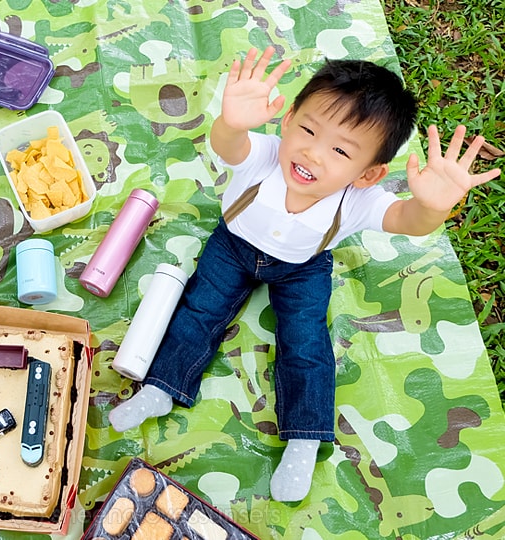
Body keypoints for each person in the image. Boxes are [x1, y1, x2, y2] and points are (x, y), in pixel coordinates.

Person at [108, 47, 501, 502]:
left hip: (302, 267)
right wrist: (232, 122)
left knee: (306, 342)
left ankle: (304, 436)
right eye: (308, 129)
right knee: (199, 308)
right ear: (288, 118)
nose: (312, 153)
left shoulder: (357, 200)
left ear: (368, 174)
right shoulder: (265, 155)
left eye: (339, 150)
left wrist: (433, 206)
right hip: (234, 245)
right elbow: (228, 145)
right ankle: (162, 386)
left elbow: (407, 222)